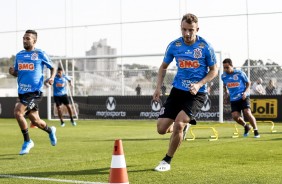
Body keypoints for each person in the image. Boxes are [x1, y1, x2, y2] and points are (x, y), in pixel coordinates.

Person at [152, 13, 218, 172]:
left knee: (179, 124)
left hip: (196, 94)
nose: (187, 33)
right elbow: (163, 67)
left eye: (191, 30)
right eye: (184, 29)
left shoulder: (205, 47)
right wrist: (158, 87)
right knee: (161, 129)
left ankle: (166, 161)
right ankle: (180, 128)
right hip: (177, 92)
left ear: (197, 29)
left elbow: (214, 70)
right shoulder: (174, 46)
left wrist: (199, 84)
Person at [9, 30, 57, 155]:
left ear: (34, 41)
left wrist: (51, 78)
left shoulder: (40, 53)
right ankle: (50, 131)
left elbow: (53, 67)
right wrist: (12, 72)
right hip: (22, 92)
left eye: (28, 38)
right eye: (23, 38)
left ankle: (27, 141)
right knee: (35, 121)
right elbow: (17, 72)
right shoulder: (19, 55)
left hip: (35, 92)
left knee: (18, 112)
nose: (25, 40)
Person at [221, 58, 260, 139]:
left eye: (227, 67)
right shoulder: (223, 76)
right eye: (224, 67)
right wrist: (225, 93)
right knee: (235, 116)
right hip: (233, 99)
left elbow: (248, 83)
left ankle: (256, 130)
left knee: (247, 112)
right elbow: (224, 85)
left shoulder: (240, 73)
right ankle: (246, 126)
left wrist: (245, 92)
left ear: (232, 66)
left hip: (243, 96)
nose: (225, 69)